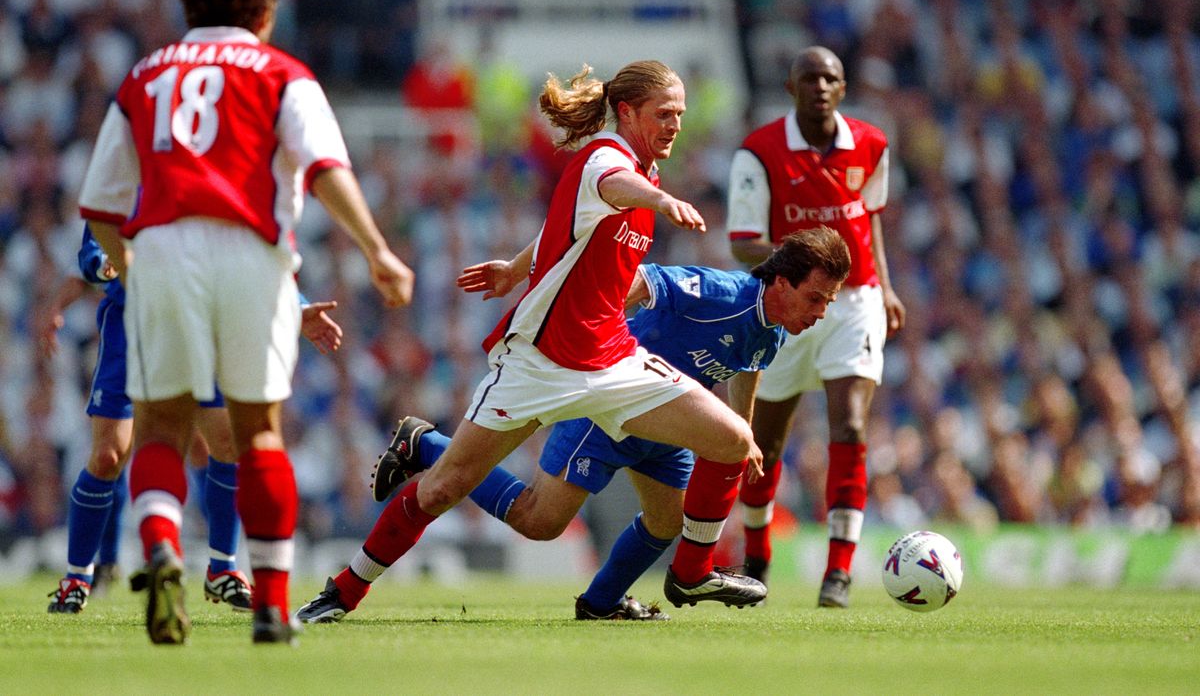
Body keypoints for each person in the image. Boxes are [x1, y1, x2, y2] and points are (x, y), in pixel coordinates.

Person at [293, 59, 767, 622]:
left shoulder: (637, 169)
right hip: (539, 361)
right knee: (445, 489)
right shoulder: (608, 160)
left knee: (735, 439)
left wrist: (517, 269)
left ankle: (688, 577)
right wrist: (659, 202)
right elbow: (614, 187)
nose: (676, 125)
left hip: (614, 360)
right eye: (665, 114)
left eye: (681, 115)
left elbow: (567, 226)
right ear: (627, 112)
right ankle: (343, 591)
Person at [76, 0, 413, 645]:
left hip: (162, 247)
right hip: (252, 253)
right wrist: (376, 249)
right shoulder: (283, 72)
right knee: (257, 434)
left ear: (192, 8)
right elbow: (323, 168)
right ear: (264, 11)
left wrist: (133, 270)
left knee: (162, 429)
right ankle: (269, 604)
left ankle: (163, 546)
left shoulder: (145, 76)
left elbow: (101, 206)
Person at [296, 227, 850, 623]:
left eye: (827, 302)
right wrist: (596, 319)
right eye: (815, 297)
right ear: (779, 281)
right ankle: (428, 444)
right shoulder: (724, 293)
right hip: (614, 405)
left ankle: (602, 602)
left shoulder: (775, 329)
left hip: (673, 424)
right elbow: (646, 279)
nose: (820, 311)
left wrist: (743, 436)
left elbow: (742, 374)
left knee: (665, 521)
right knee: (540, 522)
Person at [41, 226, 344, 615]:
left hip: (202, 321)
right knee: (109, 455)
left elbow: (257, 251)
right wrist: (102, 265)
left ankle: (222, 566)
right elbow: (92, 245)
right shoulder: (131, 166)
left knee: (226, 442)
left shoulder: (220, 174)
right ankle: (77, 576)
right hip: (134, 324)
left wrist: (297, 305)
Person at [726, 45, 906, 608]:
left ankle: (839, 572)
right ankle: (757, 556)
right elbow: (741, 244)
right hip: (784, 308)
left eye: (829, 78)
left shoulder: (872, 144)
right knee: (762, 444)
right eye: (809, 77)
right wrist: (798, 257)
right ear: (791, 86)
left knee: (850, 426)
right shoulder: (759, 151)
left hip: (855, 302)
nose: (820, 86)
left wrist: (889, 285)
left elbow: (868, 217)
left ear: (843, 87)